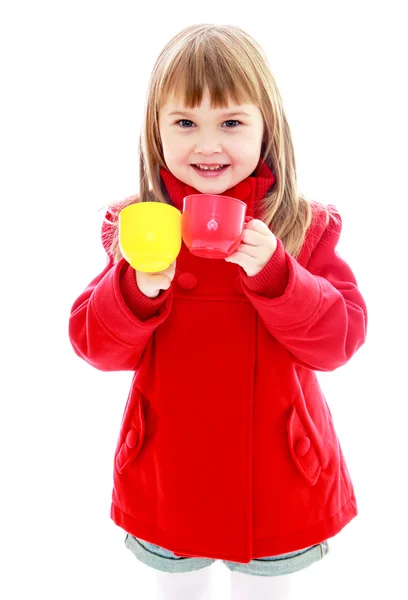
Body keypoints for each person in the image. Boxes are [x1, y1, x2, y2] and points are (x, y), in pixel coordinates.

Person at [68, 23, 368, 600]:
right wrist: (135, 288)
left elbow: (340, 341)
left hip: (280, 480)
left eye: (231, 123)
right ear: (156, 136)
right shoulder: (137, 229)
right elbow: (94, 346)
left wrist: (281, 277)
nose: (207, 146)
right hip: (167, 476)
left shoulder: (302, 227)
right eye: (185, 123)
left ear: (266, 130)